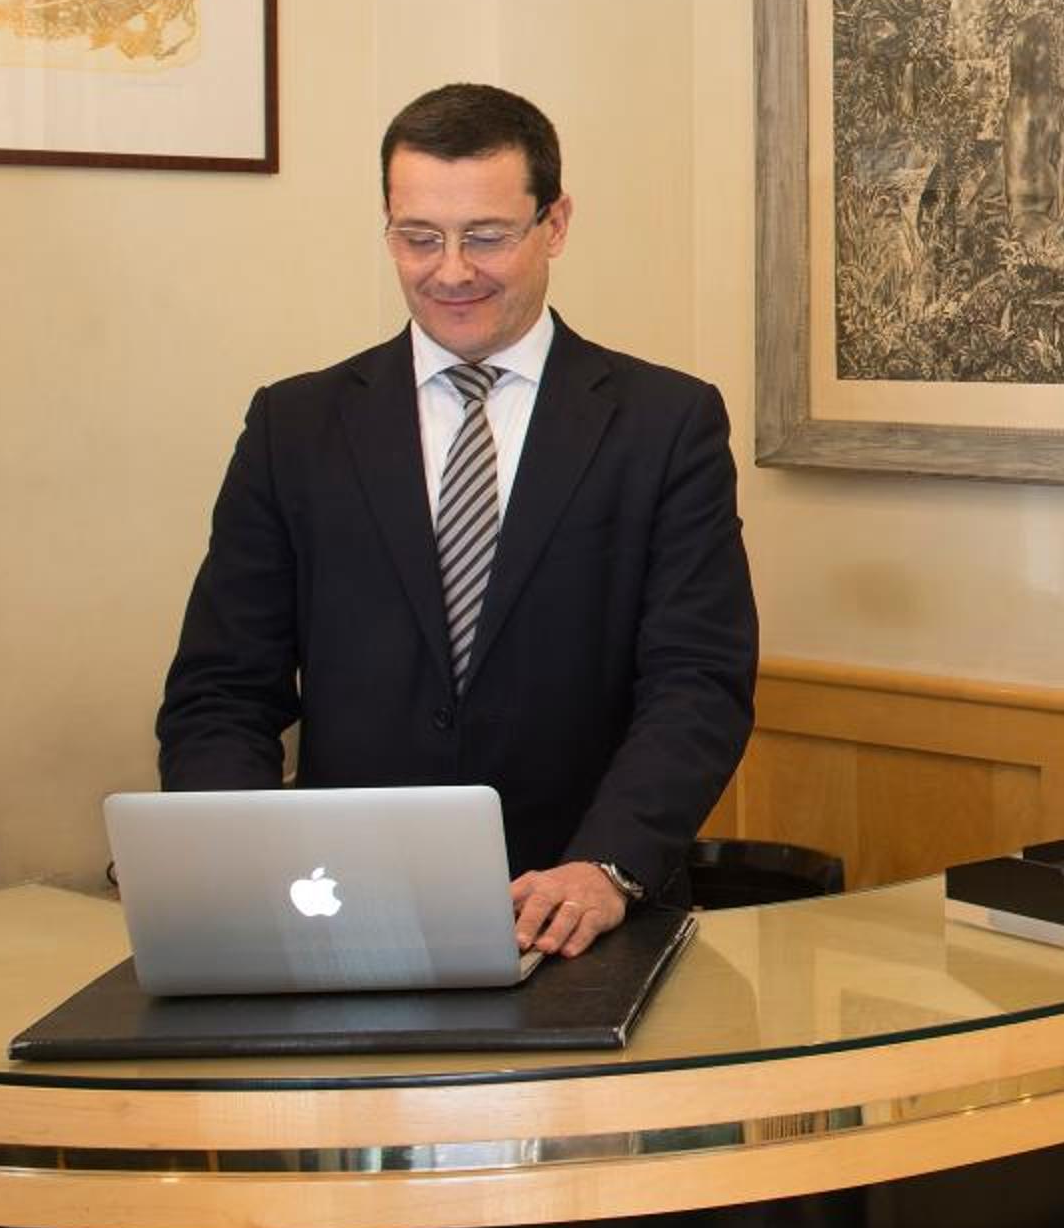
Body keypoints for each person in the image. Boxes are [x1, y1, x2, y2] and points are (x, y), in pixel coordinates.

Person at [156, 84, 759, 960]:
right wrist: (238, 862)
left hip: (585, 920)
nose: (450, 271)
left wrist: (608, 866)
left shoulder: (665, 423)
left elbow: (697, 681)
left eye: (485, 236)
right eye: (418, 238)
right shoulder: (296, 427)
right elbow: (221, 690)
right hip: (342, 915)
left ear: (555, 224)